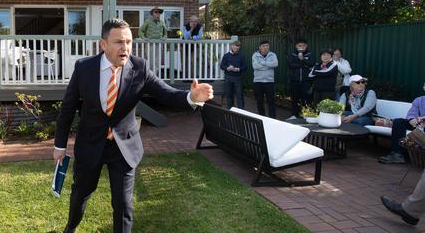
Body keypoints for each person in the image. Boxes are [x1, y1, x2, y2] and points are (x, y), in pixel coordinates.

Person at [54, 19, 213, 233]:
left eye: (129, 41)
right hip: (90, 144)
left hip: (124, 148)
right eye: (119, 42)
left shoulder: (139, 68)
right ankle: (70, 228)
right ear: (103, 44)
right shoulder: (84, 68)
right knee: (80, 195)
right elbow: (68, 107)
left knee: (123, 205)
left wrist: (191, 97)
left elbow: (167, 94)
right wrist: (60, 145)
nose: (125, 48)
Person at [379, 84, 425, 164]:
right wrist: (412, 119)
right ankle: (397, 154)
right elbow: (411, 114)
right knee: (399, 122)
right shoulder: (419, 100)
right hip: (418, 125)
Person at [252, 41, 278, 118]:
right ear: (260, 47)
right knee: (259, 101)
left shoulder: (272, 55)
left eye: (267, 46)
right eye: (263, 46)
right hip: (258, 81)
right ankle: (262, 117)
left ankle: (273, 118)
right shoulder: (255, 55)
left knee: (271, 101)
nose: (265, 47)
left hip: (269, 82)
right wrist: (268, 64)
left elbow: (275, 64)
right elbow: (255, 66)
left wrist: (263, 63)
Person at [287, 39, 313, 117]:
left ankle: (306, 115)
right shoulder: (292, 54)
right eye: (299, 46)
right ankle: (294, 115)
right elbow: (290, 65)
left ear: (306, 46)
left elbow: (312, 64)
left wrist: (303, 59)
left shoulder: (310, 54)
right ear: (296, 46)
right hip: (295, 81)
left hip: (306, 81)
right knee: (295, 99)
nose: (301, 47)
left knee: (306, 99)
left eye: (303, 45)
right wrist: (303, 65)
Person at [220, 40, 247, 109]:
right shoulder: (226, 56)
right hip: (228, 78)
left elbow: (245, 67)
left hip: (238, 78)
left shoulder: (242, 56)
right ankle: (230, 110)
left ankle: (241, 112)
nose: (236, 48)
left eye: (238, 47)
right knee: (229, 95)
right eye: (235, 47)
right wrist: (227, 68)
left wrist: (239, 69)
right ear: (231, 46)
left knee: (239, 95)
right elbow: (222, 66)